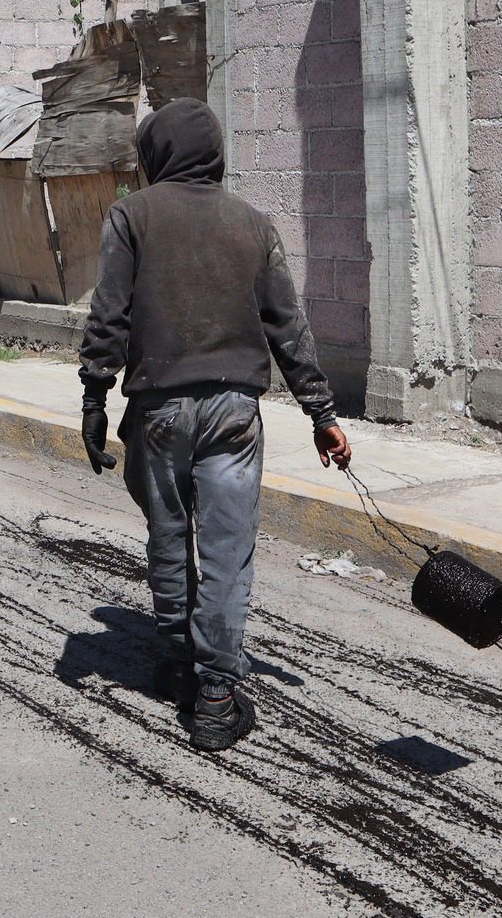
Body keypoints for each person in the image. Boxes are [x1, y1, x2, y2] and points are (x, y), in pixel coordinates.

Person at [77, 98, 352, 754]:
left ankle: (178, 664)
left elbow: (108, 315)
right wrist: (322, 414)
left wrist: (93, 398)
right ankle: (216, 698)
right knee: (227, 556)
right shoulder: (254, 225)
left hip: (158, 411)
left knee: (170, 537)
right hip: (234, 411)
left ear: (154, 155)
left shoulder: (131, 215)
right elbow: (290, 327)